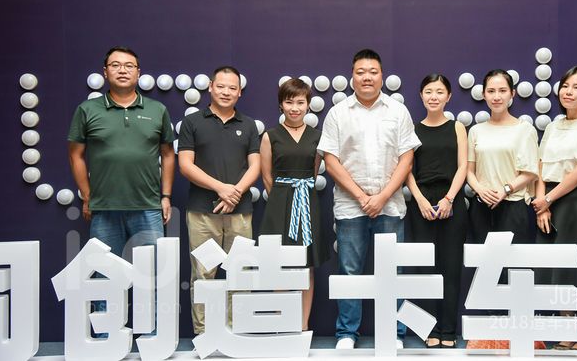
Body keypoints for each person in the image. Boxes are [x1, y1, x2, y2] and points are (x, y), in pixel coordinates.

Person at [318, 49, 421, 350]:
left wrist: (382, 196)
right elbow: (330, 160)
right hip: (351, 205)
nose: (367, 77)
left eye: (373, 72)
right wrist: (363, 197)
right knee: (350, 270)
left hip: (390, 204)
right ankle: (347, 333)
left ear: (382, 76)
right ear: (352, 76)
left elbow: (407, 158)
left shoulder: (397, 111)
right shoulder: (338, 113)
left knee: (393, 270)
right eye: (361, 72)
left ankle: (395, 332)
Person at [68, 46, 175, 258]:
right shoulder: (87, 109)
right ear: (105, 72)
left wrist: (165, 196)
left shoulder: (157, 109)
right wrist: (87, 196)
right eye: (115, 65)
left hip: (148, 207)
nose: (123, 70)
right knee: (106, 272)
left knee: (152, 271)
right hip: (104, 208)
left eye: (129, 66)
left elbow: (168, 154)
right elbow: (75, 155)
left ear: (138, 72)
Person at [178, 66, 261, 335]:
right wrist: (220, 188)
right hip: (202, 212)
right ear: (210, 87)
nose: (226, 92)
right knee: (204, 274)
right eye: (221, 86)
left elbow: (256, 166)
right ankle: (205, 334)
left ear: (240, 92)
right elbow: (185, 165)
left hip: (241, 212)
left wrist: (235, 192)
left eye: (232, 88)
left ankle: (237, 331)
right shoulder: (192, 122)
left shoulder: (248, 125)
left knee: (240, 273)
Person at [532, 66, 577, 351]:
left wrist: (548, 200)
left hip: (574, 200)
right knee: (557, 268)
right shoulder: (552, 126)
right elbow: (540, 166)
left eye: (576, 87)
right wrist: (541, 204)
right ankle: (567, 331)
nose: (568, 92)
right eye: (565, 86)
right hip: (548, 201)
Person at [260, 78, 329, 331]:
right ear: (281, 105)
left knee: (306, 265)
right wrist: (282, 199)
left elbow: (313, 172)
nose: (295, 108)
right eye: (289, 102)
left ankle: (302, 325)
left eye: (300, 102)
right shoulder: (270, 136)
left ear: (308, 105)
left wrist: (299, 193)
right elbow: (266, 177)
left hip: (308, 202)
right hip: (279, 204)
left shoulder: (317, 137)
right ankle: (281, 323)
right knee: (279, 263)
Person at [405, 74, 467, 348]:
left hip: (451, 200)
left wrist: (449, 198)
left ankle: (448, 331)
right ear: (421, 96)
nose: (434, 96)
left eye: (439, 92)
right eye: (429, 91)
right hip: (421, 202)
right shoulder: (412, 129)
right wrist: (419, 199)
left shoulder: (458, 127)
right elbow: (406, 170)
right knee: (425, 267)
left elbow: (463, 166)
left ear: (448, 96)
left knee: (450, 266)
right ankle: (429, 330)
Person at [466, 69, 539, 246]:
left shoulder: (525, 129)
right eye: (491, 91)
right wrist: (480, 190)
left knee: (513, 261)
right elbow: (469, 171)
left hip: (513, 205)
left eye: (502, 91)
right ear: (483, 95)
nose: (496, 97)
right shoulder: (476, 130)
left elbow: (530, 173)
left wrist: (505, 190)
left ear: (512, 93)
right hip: (481, 205)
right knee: (481, 260)